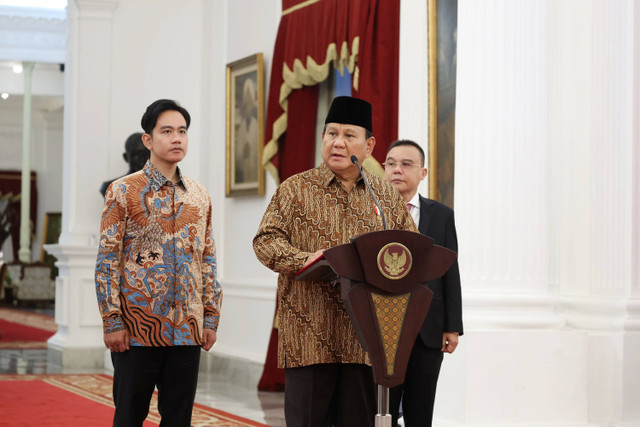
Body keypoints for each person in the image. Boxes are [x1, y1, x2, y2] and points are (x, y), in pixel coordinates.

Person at [253, 96, 417, 427]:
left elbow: (408, 251)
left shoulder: (383, 196)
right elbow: (265, 242)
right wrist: (303, 259)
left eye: (348, 135)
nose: (337, 142)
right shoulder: (295, 189)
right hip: (309, 335)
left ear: (369, 145)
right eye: (331, 133)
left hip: (364, 340)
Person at [94, 99, 222, 426]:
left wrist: (210, 317)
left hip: (187, 329)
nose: (177, 138)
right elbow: (107, 260)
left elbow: (207, 259)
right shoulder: (123, 191)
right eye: (167, 131)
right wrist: (112, 321)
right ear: (148, 140)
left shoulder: (199, 195)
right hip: (137, 329)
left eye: (182, 131)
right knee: (129, 417)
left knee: (179, 419)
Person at [383, 139, 463, 427]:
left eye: (406, 164)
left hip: (427, 327)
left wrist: (452, 326)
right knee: (383, 410)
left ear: (423, 173)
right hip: (381, 327)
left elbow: (449, 270)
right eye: (391, 163)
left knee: (421, 410)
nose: (397, 170)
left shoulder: (440, 215)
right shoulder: (368, 212)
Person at [99, 132, 149, 197]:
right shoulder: (110, 187)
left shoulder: (161, 187)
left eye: (146, 153)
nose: (142, 158)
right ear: (126, 157)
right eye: (136, 154)